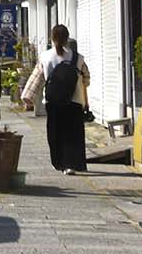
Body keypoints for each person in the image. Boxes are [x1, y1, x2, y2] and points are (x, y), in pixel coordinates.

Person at [21, 24, 90, 174]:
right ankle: (73, 164)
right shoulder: (77, 58)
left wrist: (28, 97)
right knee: (74, 133)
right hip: (75, 102)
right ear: (67, 39)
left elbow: (37, 79)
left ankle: (59, 163)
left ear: (52, 38)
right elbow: (87, 78)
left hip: (53, 102)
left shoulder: (45, 57)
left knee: (55, 132)